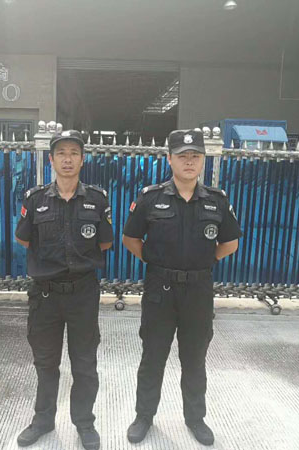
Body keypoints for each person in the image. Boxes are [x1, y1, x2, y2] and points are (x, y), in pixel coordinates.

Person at [122, 128, 241, 446]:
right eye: (183, 156)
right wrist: (153, 260)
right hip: (159, 290)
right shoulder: (151, 198)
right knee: (153, 357)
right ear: (170, 159)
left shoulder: (217, 201)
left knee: (194, 359)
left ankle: (195, 418)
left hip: (198, 292)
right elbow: (130, 238)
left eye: (195, 156)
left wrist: (205, 262)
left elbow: (230, 243)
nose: (189, 161)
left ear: (203, 160)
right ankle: (144, 416)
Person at [14, 129, 113, 450]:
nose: (67, 159)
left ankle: (84, 423)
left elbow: (105, 242)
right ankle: (43, 420)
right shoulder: (36, 199)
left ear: (82, 160)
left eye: (73, 153)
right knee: (46, 362)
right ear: (52, 160)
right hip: (45, 295)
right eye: (61, 153)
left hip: (83, 294)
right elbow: (23, 238)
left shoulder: (97, 200)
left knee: (84, 364)